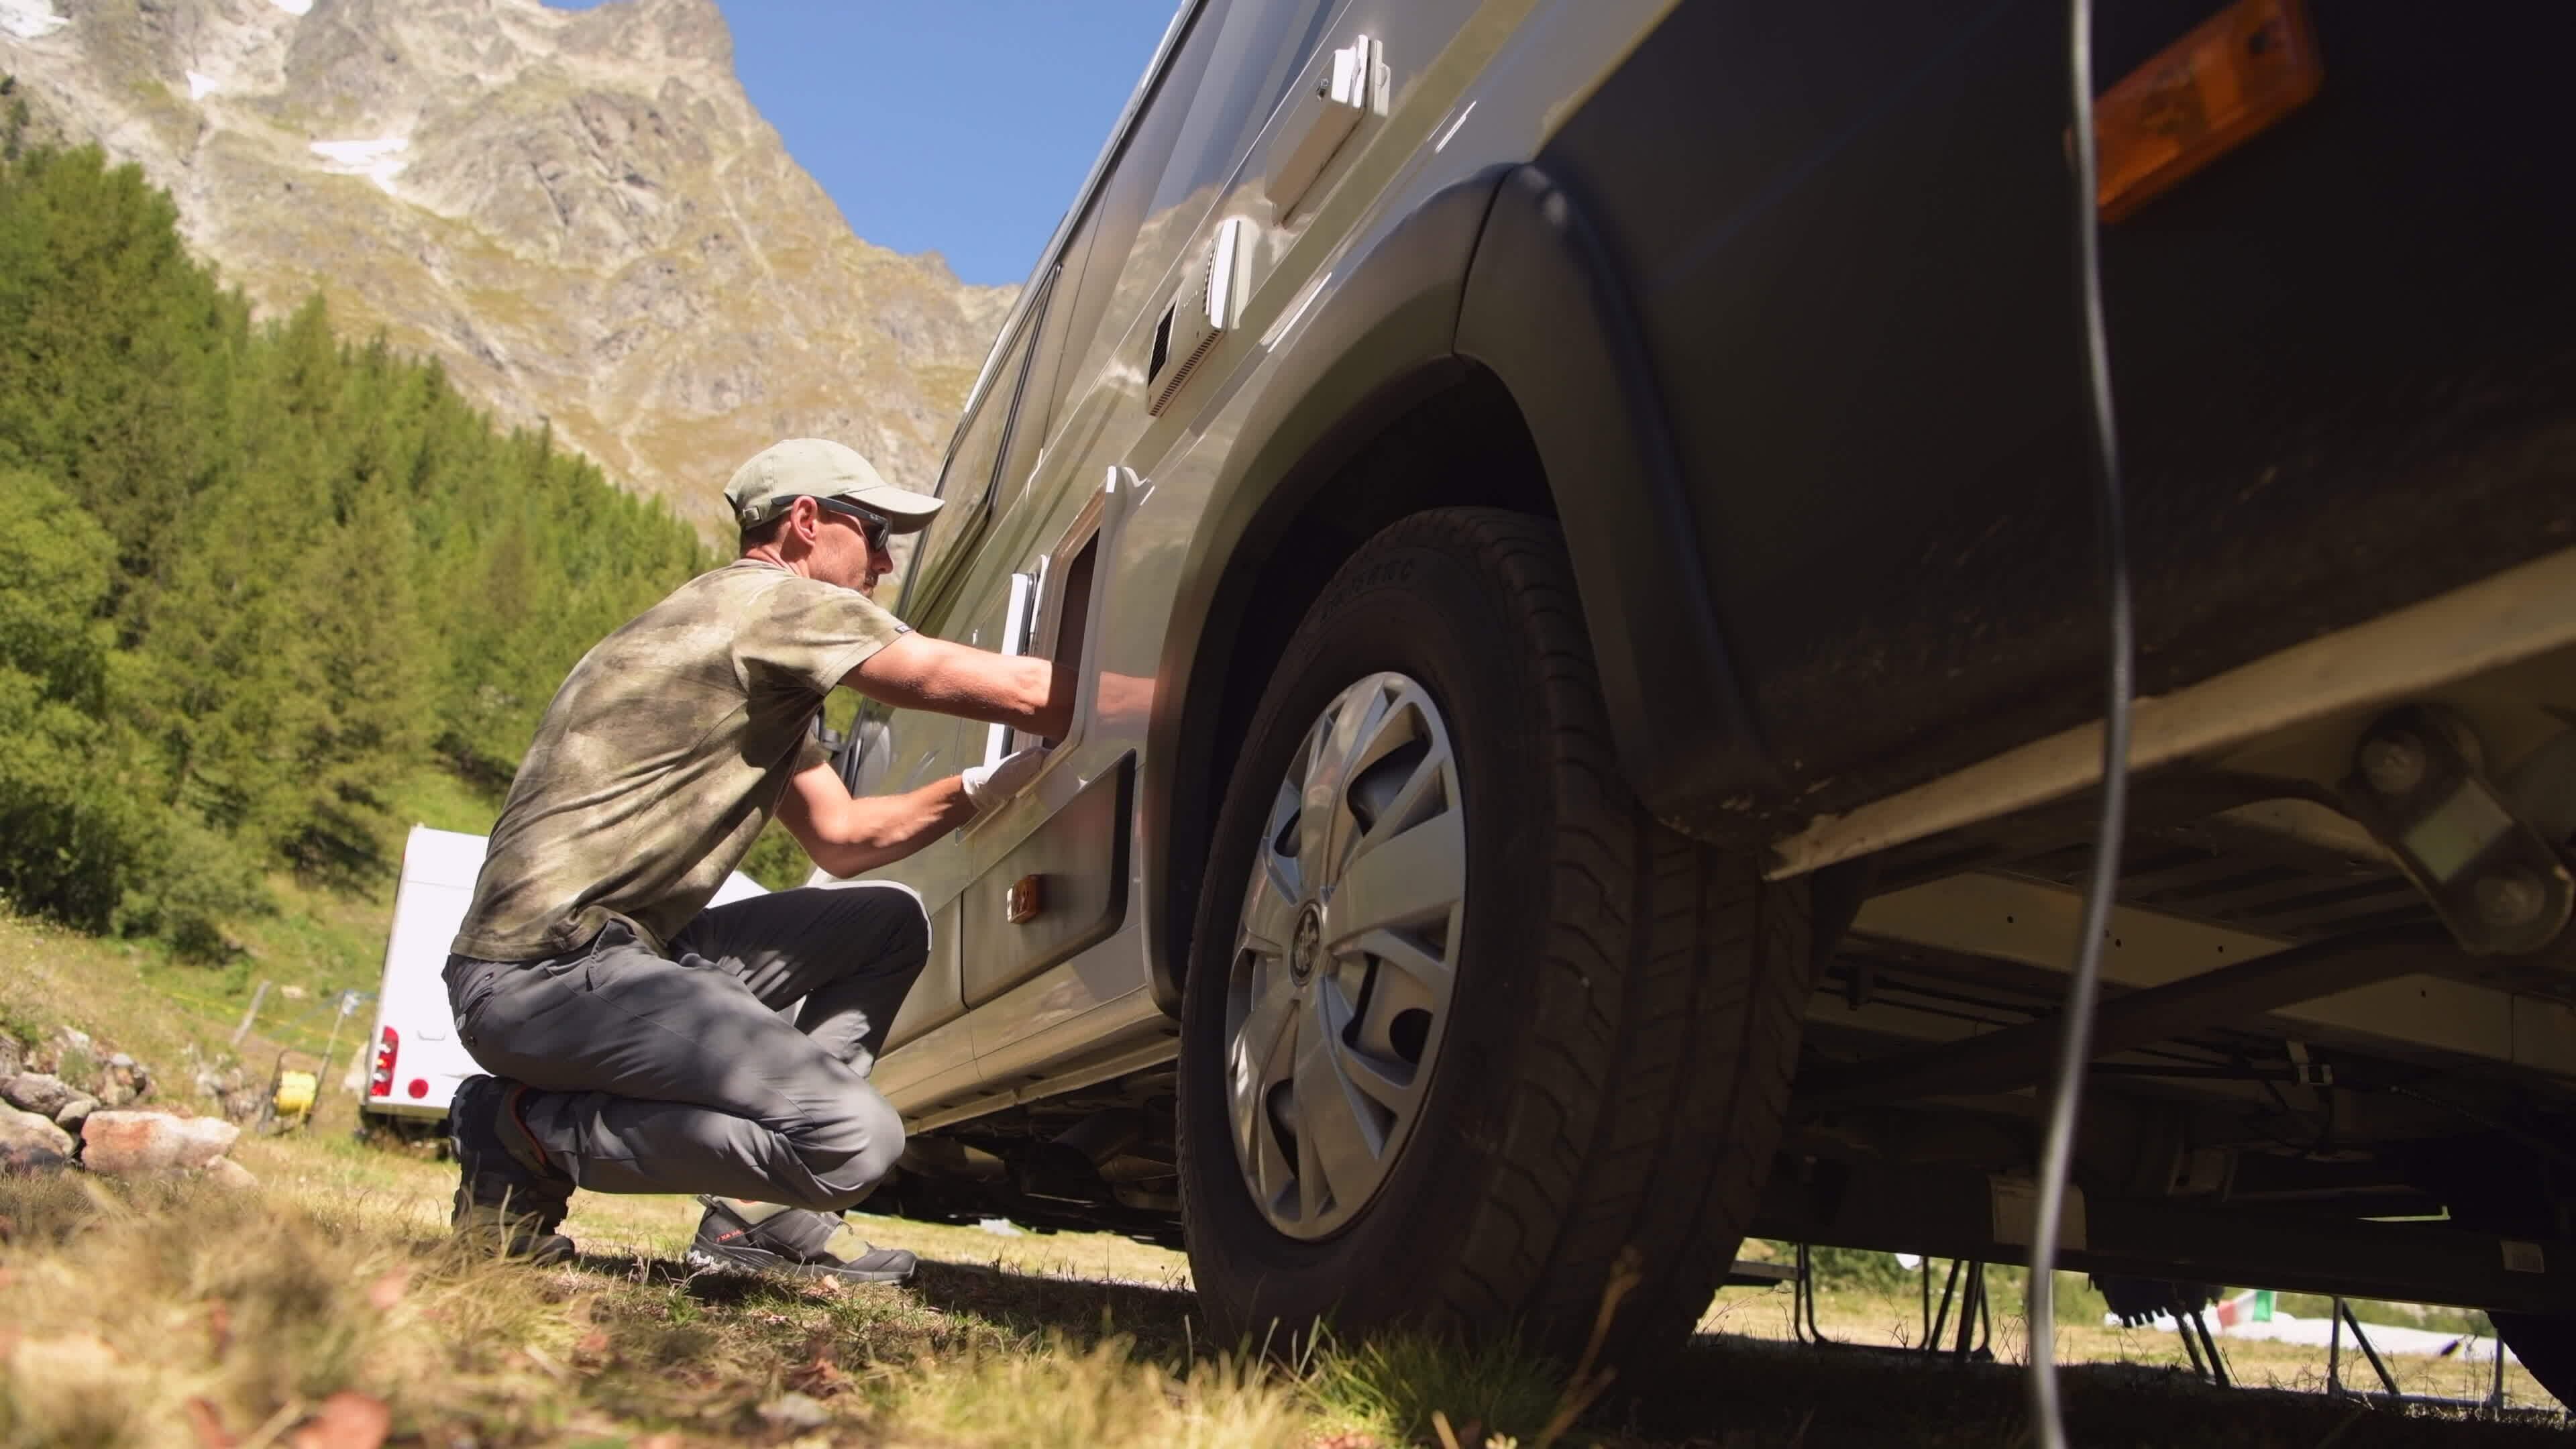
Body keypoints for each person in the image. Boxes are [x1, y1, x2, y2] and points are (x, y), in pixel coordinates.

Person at [440, 437, 1065, 1283]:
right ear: (805, 523)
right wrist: (1156, 687)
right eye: (876, 532)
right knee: (853, 1143)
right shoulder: (772, 606)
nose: (885, 561)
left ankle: (760, 1226)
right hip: (546, 974)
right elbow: (990, 683)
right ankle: (521, 1134)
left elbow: (843, 838)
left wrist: (983, 787)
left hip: (601, 960)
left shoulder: (717, 641)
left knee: (883, 924)